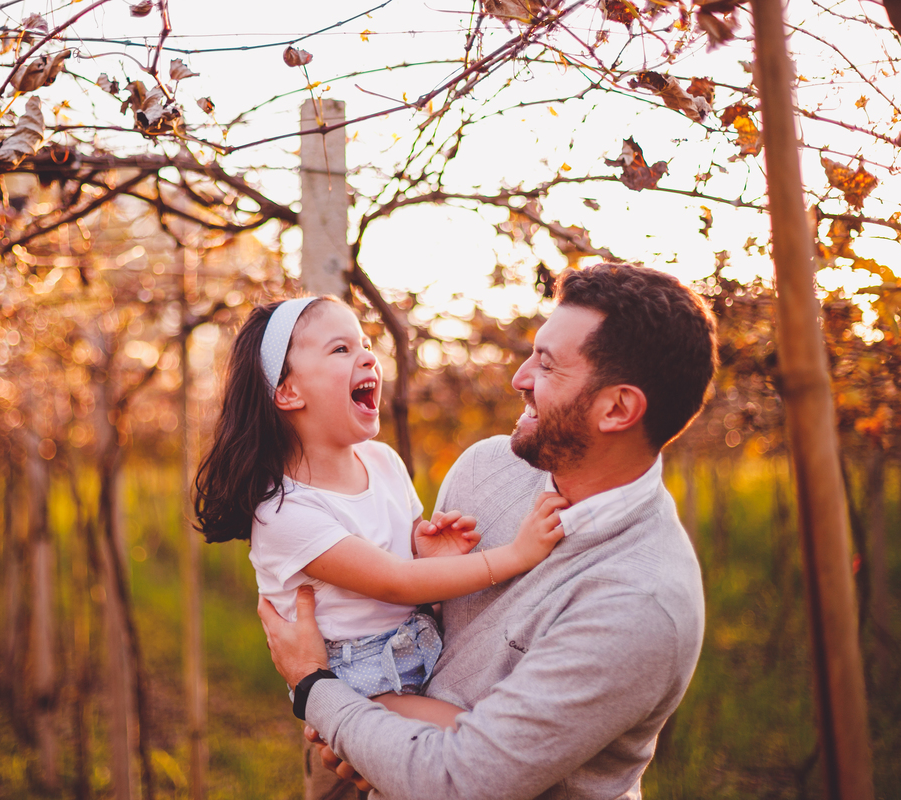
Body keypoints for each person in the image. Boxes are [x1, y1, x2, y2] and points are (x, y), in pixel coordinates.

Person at [258, 262, 718, 800]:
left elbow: (457, 781)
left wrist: (314, 687)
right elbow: (401, 612)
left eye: (546, 367)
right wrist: (371, 743)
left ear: (617, 408)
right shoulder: (488, 468)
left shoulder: (641, 601)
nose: (518, 378)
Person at [194, 295, 567, 727]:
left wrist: (423, 551)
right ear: (288, 391)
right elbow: (395, 583)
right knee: (470, 737)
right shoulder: (284, 512)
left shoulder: (383, 461)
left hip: (418, 645)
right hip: (362, 679)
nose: (368, 356)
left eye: (365, 342)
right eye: (341, 349)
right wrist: (517, 555)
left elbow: (402, 567)